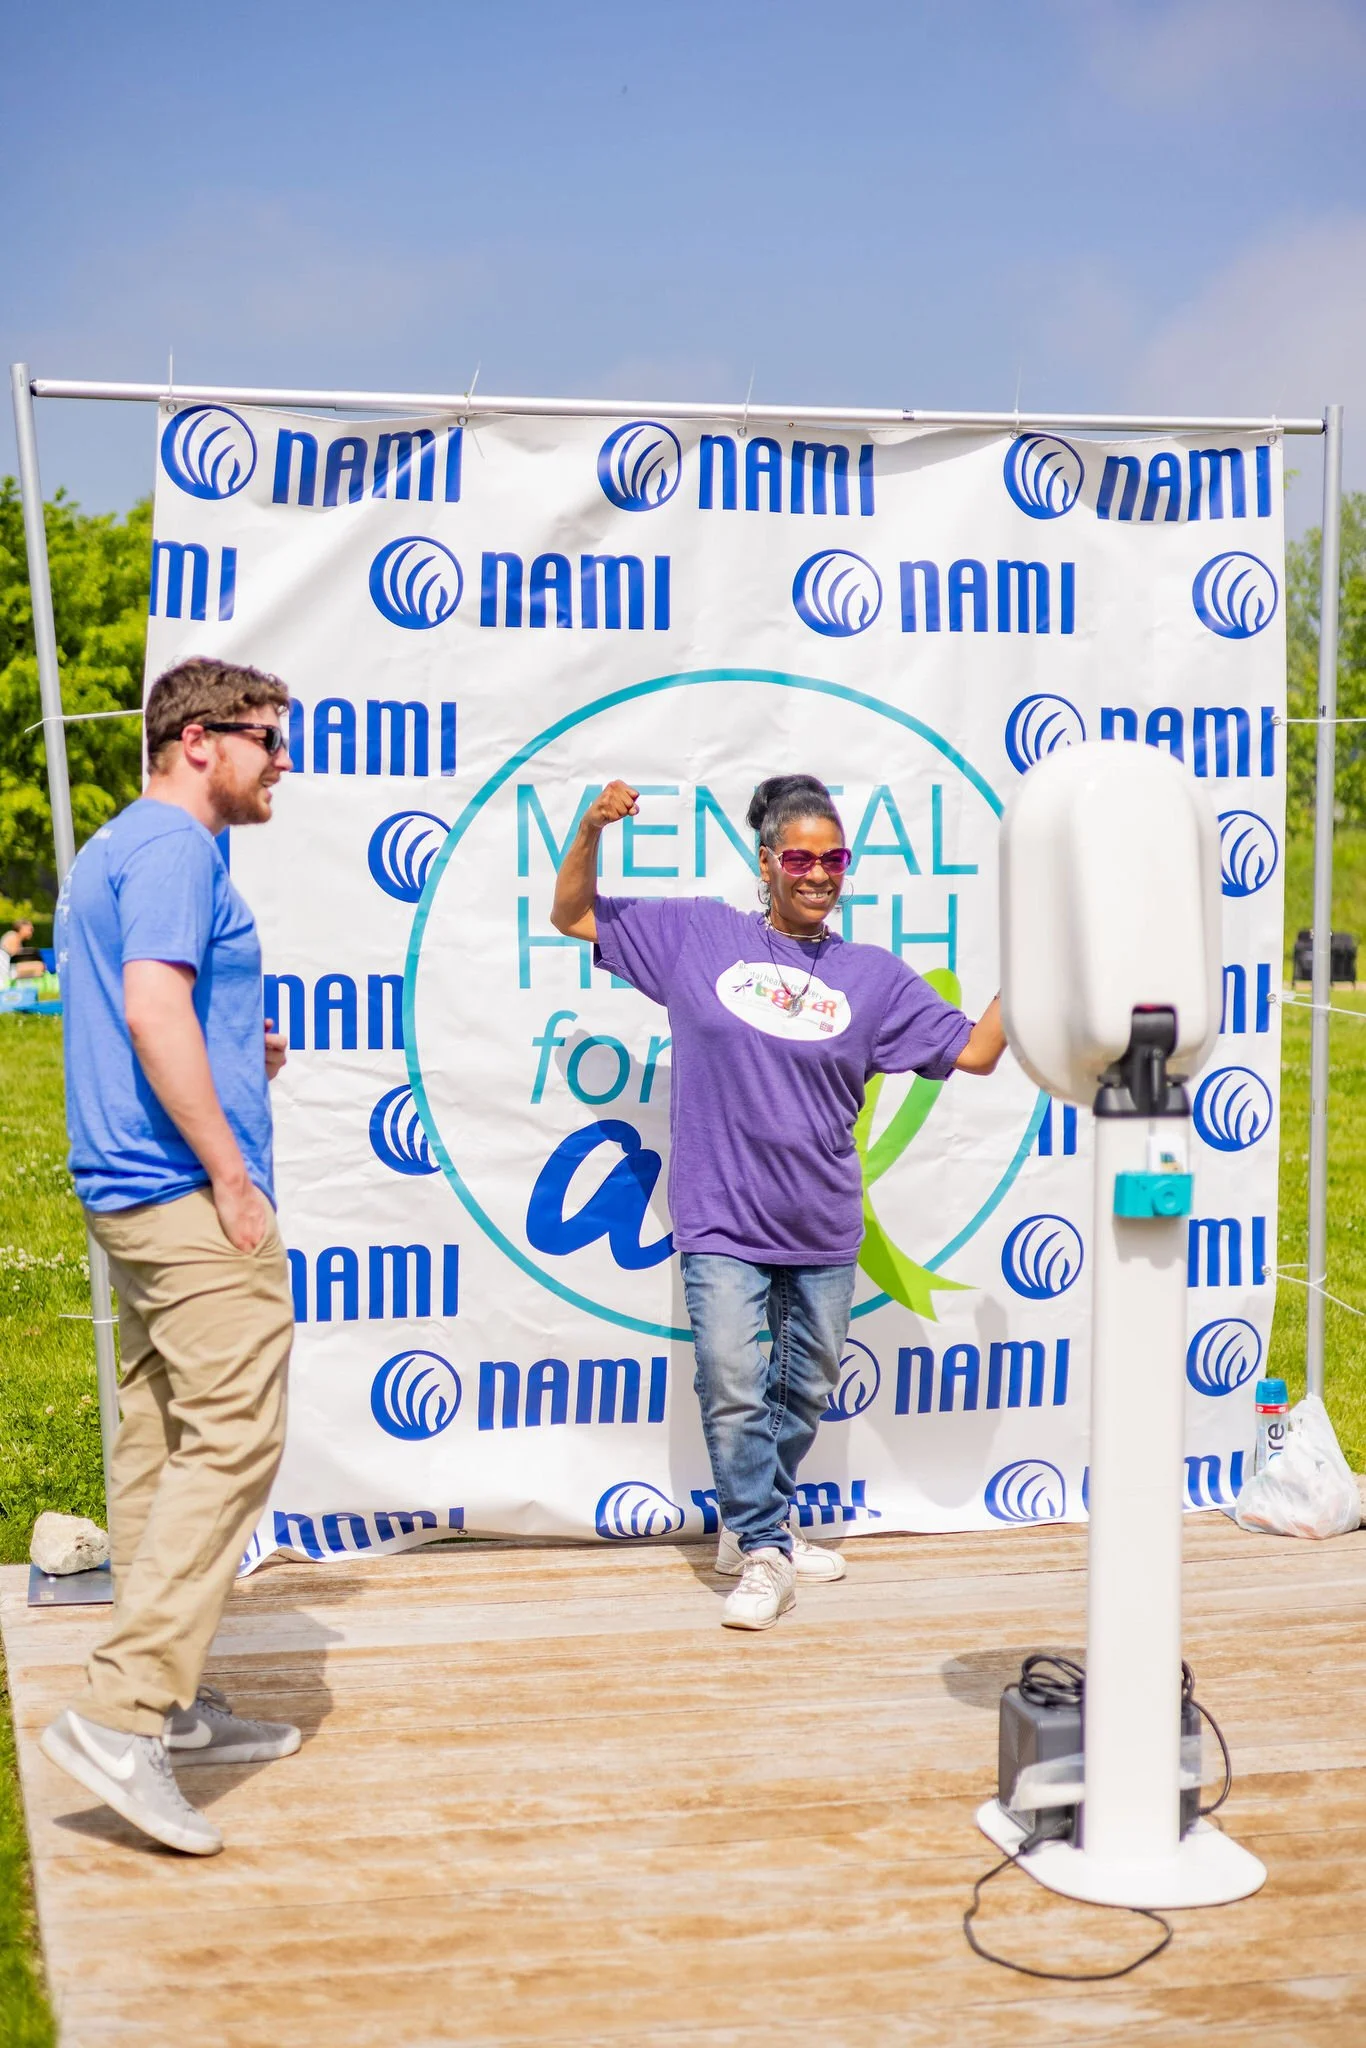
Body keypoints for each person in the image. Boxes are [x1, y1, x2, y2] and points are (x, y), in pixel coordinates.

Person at [552, 773, 1006, 1632]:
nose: (818, 872)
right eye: (799, 856)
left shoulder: (872, 977)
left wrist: (1034, 967)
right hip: (722, 1216)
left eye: (834, 857)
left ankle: (754, 1523)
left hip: (823, 1225)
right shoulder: (697, 936)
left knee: (802, 1391)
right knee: (730, 1379)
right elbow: (573, 915)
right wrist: (590, 831)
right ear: (766, 863)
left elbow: (977, 1051)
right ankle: (764, 1549)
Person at [40, 657, 299, 1857]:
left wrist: (240, 1055)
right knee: (237, 1435)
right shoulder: (183, 850)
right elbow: (149, 1010)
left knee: (162, 1440)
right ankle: (122, 1710)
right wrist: (231, 1171)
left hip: (128, 1190)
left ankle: (171, 1703)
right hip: (187, 1196)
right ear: (198, 739)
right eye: (267, 740)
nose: (279, 762)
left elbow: (152, 1010)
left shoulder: (113, 847)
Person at [1, 918, 43, 982]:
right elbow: (15, 956)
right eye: (30, 929)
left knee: (38, 966)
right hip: (4, 972)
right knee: (39, 966)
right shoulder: (13, 936)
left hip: (7, 969)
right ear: (22, 928)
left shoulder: (15, 936)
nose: (32, 931)